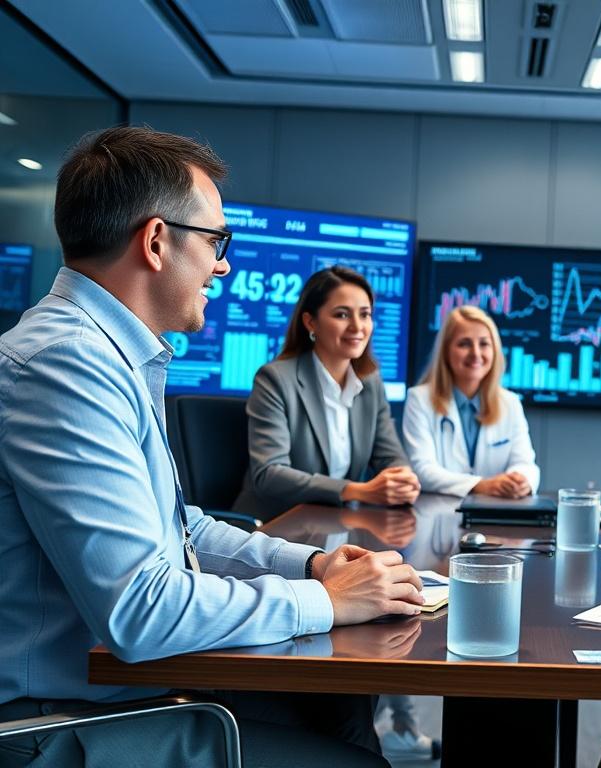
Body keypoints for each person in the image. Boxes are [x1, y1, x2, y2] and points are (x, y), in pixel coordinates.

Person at [0, 126, 424, 767]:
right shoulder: (65, 365)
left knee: (340, 708)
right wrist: (328, 601)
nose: (222, 264)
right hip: (62, 721)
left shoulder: (110, 355)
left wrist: (312, 567)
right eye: (214, 241)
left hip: (130, 685)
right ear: (155, 241)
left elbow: (182, 528)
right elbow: (140, 611)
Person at [233, 265, 421, 520]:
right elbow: (269, 474)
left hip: (334, 524)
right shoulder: (275, 379)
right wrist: (357, 491)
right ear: (311, 322)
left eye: (365, 314)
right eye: (342, 315)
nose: (357, 326)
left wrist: (402, 480)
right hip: (275, 525)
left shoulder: (370, 382)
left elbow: (390, 456)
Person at [403, 305, 540, 497]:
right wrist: (480, 485)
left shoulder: (510, 403)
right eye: (464, 344)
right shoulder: (419, 400)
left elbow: (526, 464)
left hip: (498, 510)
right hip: (440, 510)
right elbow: (422, 470)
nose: (476, 353)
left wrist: (521, 480)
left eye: (484, 344)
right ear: (446, 351)